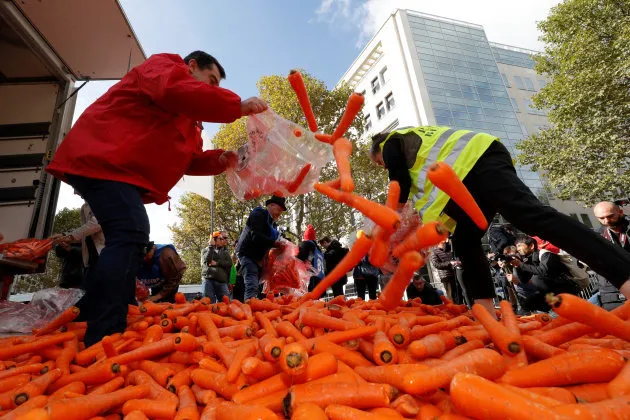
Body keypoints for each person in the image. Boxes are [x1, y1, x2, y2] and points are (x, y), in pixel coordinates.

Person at [45, 50, 267, 345]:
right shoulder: (164, 68)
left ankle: (100, 314)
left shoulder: (189, 121)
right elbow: (175, 90)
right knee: (131, 230)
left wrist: (222, 159)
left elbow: (188, 159)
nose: (212, 90)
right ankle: (105, 332)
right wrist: (235, 105)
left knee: (127, 236)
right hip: (102, 157)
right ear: (191, 66)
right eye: (210, 81)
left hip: (119, 172)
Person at [370, 126, 630, 314]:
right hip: (466, 177)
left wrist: (388, 229)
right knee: (465, 239)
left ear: (380, 149)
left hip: (478, 161)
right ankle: (484, 310)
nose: (384, 168)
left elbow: (399, 185)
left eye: (380, 164)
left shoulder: (392, 140)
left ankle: (624, 275)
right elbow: (433, 213)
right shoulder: (421, 163)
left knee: (530, 216)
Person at [236, 195, 286, 301]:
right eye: (279, 209)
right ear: (271, 205)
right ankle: (249, 310)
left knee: (257, 287)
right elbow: (256, 236)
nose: (280, 213)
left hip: (259, 259)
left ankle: (252, 306)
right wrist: (275, 243)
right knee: (252, 285)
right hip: (247, 254)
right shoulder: (259, 214)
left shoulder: (273, 226)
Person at [593, 201, 629, 309]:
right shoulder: (596, 237)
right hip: (610, 295)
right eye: (601, 218)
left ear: (620, 212)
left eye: (610, 216)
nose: (606, 221)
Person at [201, 232, 232, 303]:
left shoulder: (225, 252)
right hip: (208, 279)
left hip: (221, 280)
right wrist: (211, 247)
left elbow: (229, 263)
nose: (222, 240)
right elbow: (207, 261)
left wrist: (217, 263)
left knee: (226, 302)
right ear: (214, 239)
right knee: (208, 303)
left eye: (223, 239)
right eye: (220, 239)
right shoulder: (205, 250)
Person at [297, 225, 325, 292]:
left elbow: (300, 257)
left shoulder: (307, 244)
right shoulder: (318, 249)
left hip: (310, 278)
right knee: (317, 300)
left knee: (309, 300)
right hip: (320, 278)